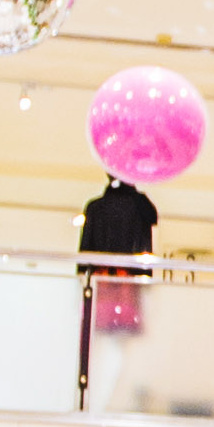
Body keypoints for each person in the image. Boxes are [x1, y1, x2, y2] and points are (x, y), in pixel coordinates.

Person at [76, 162, 157, 382]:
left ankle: (96, 386)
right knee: (123, 346)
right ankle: (115, 387)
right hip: (128, 286)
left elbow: (84, 257)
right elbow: (145, 253)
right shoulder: (141, 207)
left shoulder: (95, 207)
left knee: (98, 345)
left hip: (100, 286)